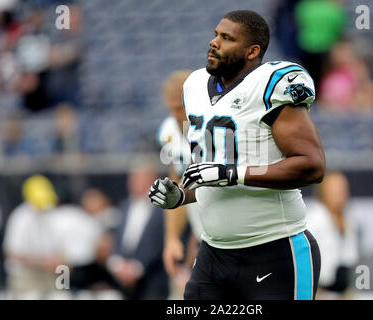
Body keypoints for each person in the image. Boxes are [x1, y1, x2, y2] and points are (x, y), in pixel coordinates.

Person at [149, 10, 325, 300]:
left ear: (252, 51)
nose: (213, 42)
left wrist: (234, 173)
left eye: (226, 38)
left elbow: (312, 166)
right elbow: (205, 170)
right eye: (216, 34)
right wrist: (181, 194)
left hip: (275, 251)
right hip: (213, 255)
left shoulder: (271, 85)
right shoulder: (193, 86)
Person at [158, 70, 203, 299]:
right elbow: (176, 188)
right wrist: (172, 238)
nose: (176, 115)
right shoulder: (170, 131)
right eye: (172, 108)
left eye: (181, 108)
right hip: (206, 236)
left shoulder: (214, 131)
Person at [108, 162, 168, 299]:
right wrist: (117, 264)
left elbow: (160, 242)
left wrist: (138, 268)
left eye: (137, 178)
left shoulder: (164, 208)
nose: (132, 182)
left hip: (153, 280)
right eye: (132, 178)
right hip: (123, 280)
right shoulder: (125, 206)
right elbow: (118, 237)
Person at [306, 171, 358, 299]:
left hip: (340, 292)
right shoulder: (315, 217)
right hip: (319, 291)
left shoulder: (347, 218)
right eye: (335, 188)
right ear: (323, 191)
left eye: (343, 188)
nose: (341, 192)